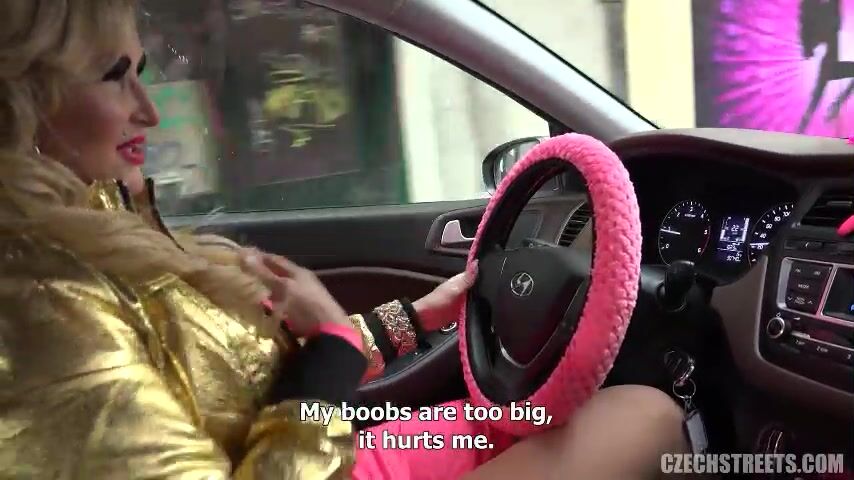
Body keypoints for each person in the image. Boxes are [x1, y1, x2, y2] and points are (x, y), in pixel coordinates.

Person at [0, 1, 690, 478]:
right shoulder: (42, 307)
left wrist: (410, 321)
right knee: (648, 416)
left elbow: (229, 380)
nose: (149, 110)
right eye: (114, 77)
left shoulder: (92, 213)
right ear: (23, 96)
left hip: (320, 453)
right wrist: (331, 348)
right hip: (312, 458)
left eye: (141, 72)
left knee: (503, 422)